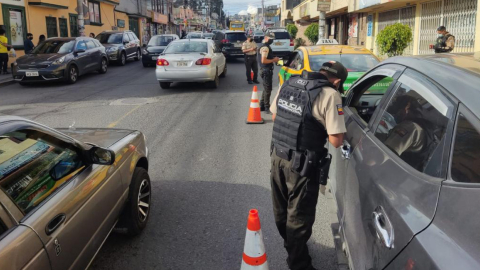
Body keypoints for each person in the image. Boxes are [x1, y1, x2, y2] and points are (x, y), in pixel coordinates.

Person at [269, 61, 348, 270]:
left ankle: (293, 249)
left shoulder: (290, 83)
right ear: (338, 81)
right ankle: (299, 264)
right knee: (299, 218)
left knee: (282, 212)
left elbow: (275, 115)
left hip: (278, 156)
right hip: (303, 166)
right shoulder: (331, 95)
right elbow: (336, 141)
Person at [258, 32, 280, 113]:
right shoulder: (265, 48)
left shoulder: (263, 46)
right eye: (271, 39)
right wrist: (274, 60)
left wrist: (273, 58)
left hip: (264, 70)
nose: (272, 40)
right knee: (268, 89)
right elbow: (263, 60)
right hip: (266, 70)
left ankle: (262, 105)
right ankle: (267, 107)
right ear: (266, 38)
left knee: (265, 88)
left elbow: (266, 58)